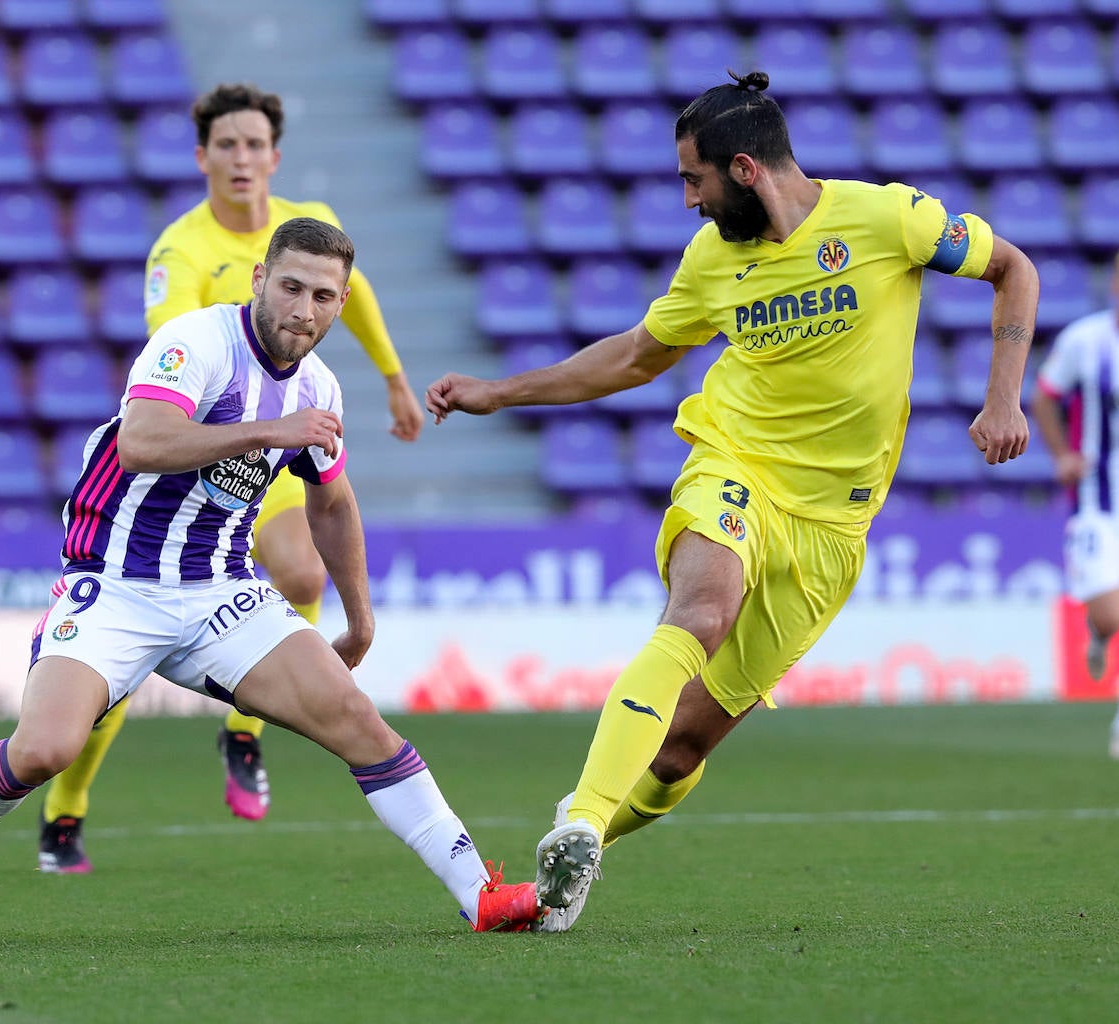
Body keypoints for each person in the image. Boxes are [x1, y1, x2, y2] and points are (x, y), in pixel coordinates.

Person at [425, 71, 1038, 932]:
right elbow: (640, 354)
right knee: (701, 610)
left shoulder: (890, 219)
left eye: (694, 180)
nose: (688, 201)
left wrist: (1003, 397)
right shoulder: (713, 259)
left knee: (681, 747)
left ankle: (579, 845)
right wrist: (502, 392)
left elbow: (1014, 269)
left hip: (833, 525)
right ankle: (582, 826)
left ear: (744, 169)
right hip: (736, 465)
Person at [0, 219, 541, 934]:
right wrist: (265, 432)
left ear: (341, 304)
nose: (304, 310)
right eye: (292, 287)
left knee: (358, 719)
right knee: (45, 749)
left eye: (324, 297)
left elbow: (331, 503)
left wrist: (360, 617)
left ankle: (480, 894)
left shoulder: (320, 389)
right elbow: (141, 441)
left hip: (220, 593)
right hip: (115, 584)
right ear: (259, 281)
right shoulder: (197, 343)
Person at [38, 83, 426, 872]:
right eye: (227, 146)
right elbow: (173, 359)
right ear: (203, 158)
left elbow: (360, 296)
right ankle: (66, 804)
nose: (242, 158)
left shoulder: (306, 226)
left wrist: (390, 376)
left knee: (301, 564)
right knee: (117, 663)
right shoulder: (179, 253)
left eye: (255, 145)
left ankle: (243, 732)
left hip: (266, 457)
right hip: (191, 460)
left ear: (273, 157)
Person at [1033, 252, 1119, 757]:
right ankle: (1097, 628)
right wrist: (1063, 454)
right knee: (1111, 616)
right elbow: (1045, 397)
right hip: (1097, 502)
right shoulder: (1086, 342)